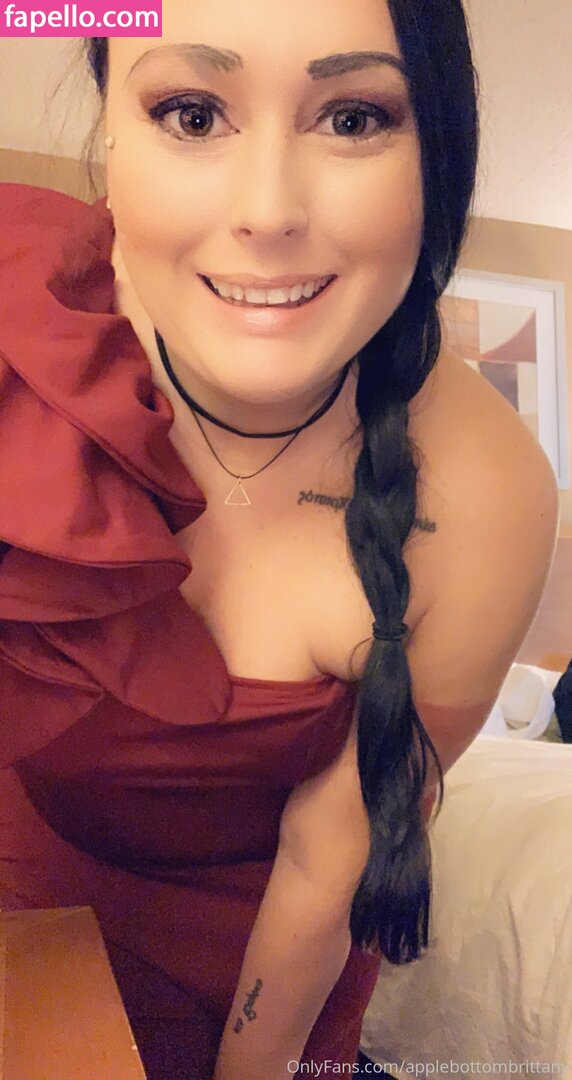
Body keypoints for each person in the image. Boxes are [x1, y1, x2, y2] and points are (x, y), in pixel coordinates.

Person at [0, 1, 559, 1078]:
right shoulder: (18, 333)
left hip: (277, 987)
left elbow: (327, 857)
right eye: (192, 113)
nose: (267, 213)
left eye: (352, 118)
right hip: (31, 930)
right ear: (111, 129)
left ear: (437, 149)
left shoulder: (487, 496)